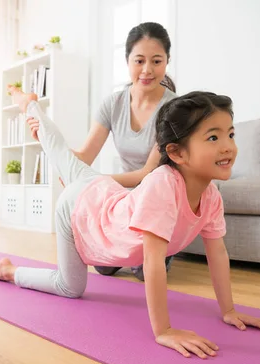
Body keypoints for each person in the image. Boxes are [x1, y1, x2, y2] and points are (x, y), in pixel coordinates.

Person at [0, 86, 260, 359]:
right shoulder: (162, 186)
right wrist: (164, 330)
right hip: (80, 210)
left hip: (102, 190)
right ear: (177, 153)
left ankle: (29, 104)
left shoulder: (211, 195)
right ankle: (10, 272)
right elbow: (152, 263)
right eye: (214, 138)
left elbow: (218, 253)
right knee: (69, 287)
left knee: (60, 152)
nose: (228, 146)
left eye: (231, 134)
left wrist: (228, 310)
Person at [28, 22, 178, 281]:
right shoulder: (113, 103)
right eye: (139, 60)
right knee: (104, 267)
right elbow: (84, 156)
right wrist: (46, 140)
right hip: (122, 200)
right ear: (127, 60)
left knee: (145, 273)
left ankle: (159, 250)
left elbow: (146, 174)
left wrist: (92, 184)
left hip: (155, 199)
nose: (147, 70)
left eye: (156, 61)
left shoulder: (174, 108)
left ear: (167, 61)